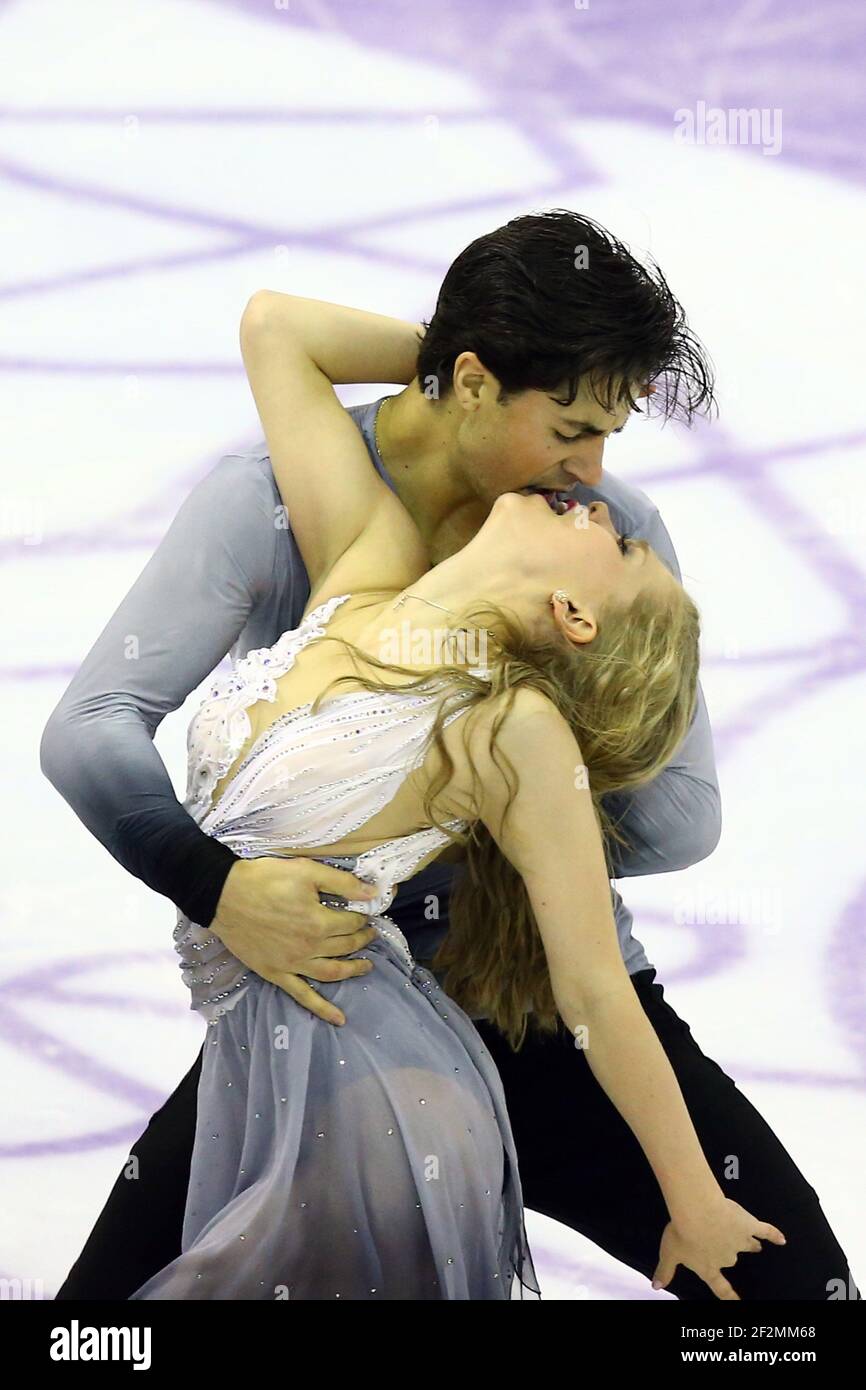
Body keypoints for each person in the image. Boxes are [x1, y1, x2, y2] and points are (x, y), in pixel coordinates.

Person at [44, 211, 859, 1300]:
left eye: (606, 436)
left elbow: (672, 833)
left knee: (793, 1300)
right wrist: (224, 889)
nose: (593, 476)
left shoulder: (585, 570)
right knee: (95, 1325)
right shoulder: (339, 537)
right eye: (569, 423)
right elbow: (90, 723)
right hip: (321, 996)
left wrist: (490, 801)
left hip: (529, 1001)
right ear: (472, 382)